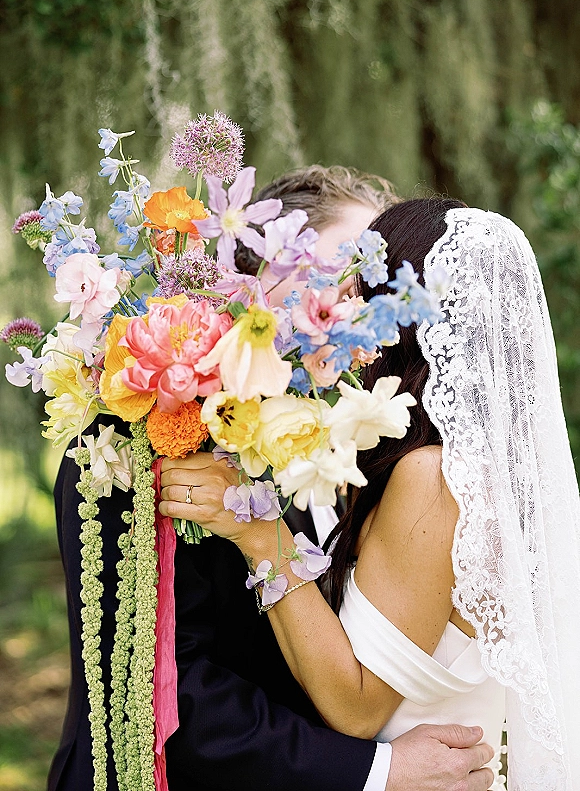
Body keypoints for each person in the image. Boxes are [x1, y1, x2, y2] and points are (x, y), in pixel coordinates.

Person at [48, 173, 495, 791]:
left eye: (368, 284)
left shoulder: (361, 444)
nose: (349, 307)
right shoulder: (132, 441)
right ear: (259, 272)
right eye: (338, 272)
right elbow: (162, 701)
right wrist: (377, 772)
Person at [159, 198, 580, 790]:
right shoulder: (500, 477)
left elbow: (357, 708)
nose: (345, 310)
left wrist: (261, 534)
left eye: (361, 289)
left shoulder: (435, 480)